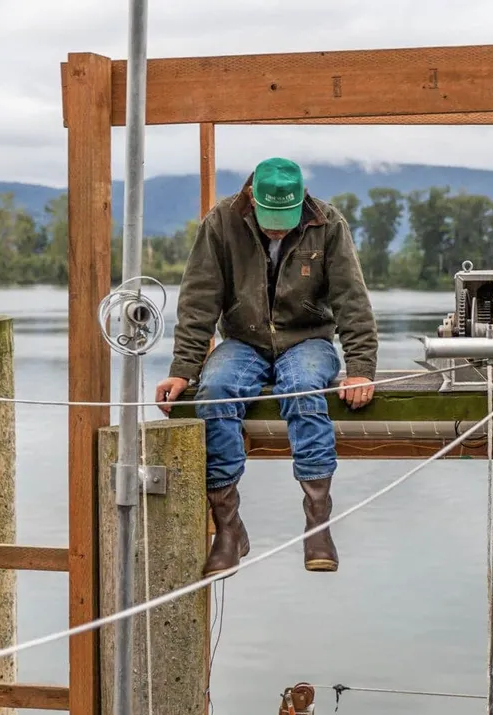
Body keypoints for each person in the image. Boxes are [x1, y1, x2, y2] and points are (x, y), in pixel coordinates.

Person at [153, 157, 378, 578]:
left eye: (286, 218)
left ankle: (317, 524)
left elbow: (352, 299)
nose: (278, 227)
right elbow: (199, 299)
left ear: (302, 201)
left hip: (308, 339)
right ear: (251, 197)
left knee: (304, 389)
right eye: (271, 217)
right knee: (215, 391)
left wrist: (361, 366)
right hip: (244, 341)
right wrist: (183, 368)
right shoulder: (220, 222)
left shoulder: (329, 224)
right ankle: (227, 527)